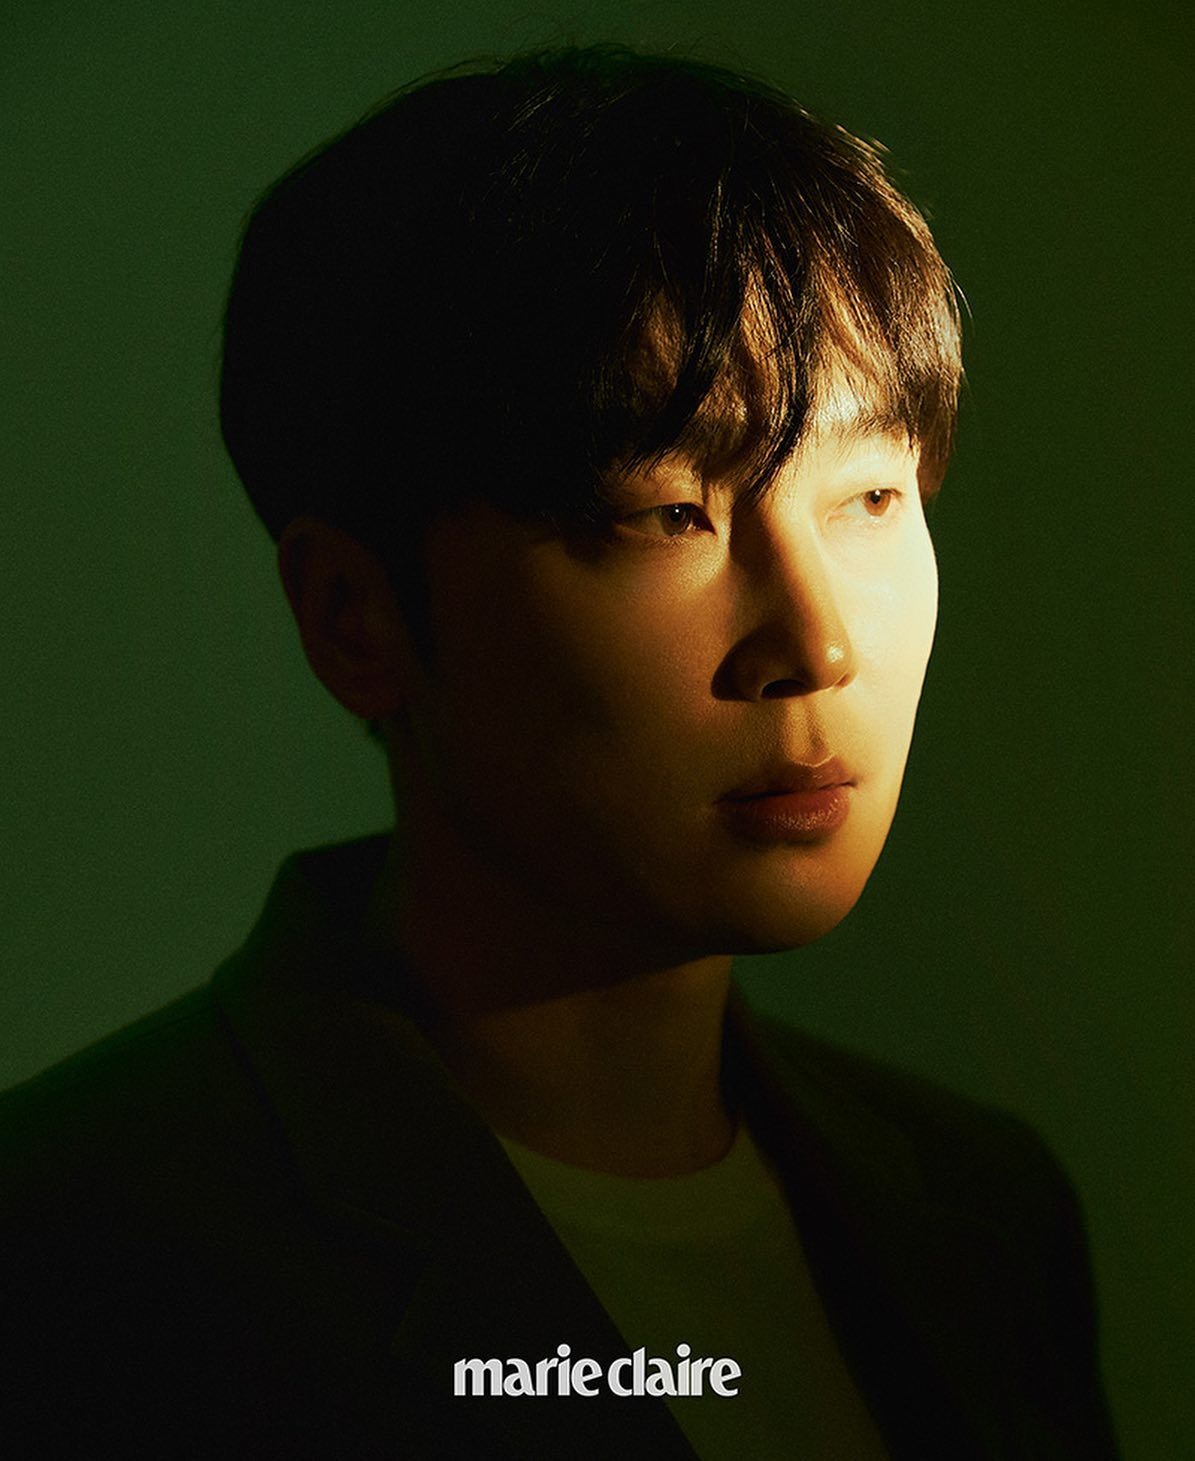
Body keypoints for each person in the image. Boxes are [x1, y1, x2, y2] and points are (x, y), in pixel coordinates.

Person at [0, 45, 1119, 1458]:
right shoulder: (82, 1260)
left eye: (874, 495)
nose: (819, 641)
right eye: (667, 514)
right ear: (355, 616)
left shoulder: (981, 1213)